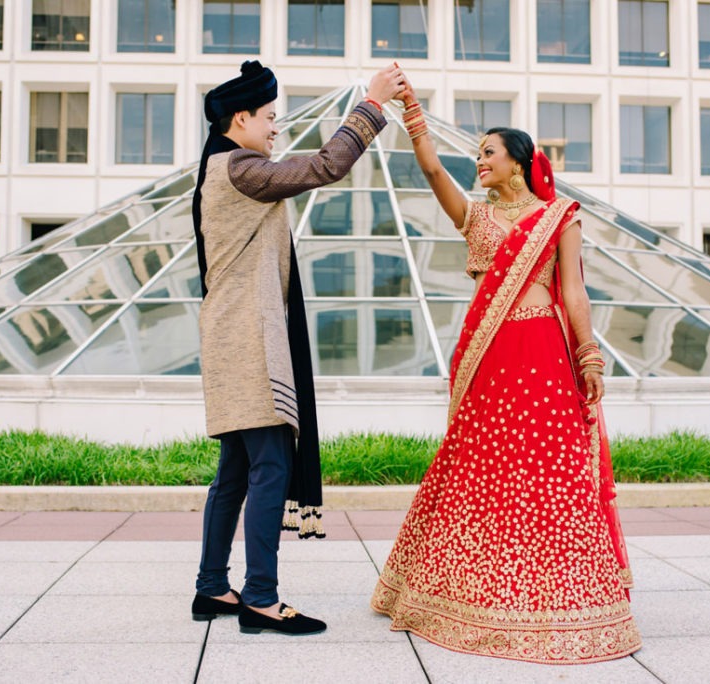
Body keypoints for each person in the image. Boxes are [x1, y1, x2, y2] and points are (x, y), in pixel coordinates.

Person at [370, 76, 642, 662]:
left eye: (488, 153)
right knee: (482, 465)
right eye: (477, 154)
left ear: (519, 162)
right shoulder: (477, 218)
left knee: (550, 468)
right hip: (491, 358)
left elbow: (574, 291)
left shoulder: (558, 216)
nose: (478, 162)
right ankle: (468, 590)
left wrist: (588, 354)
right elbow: (432, 172)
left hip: (544, 354)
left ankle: (558, 591)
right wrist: (413, 113)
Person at [191, 60, 406, 636]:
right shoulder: (240, 166)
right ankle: (260, 597)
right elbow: (326, 165)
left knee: (237, 468)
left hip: (230, 331)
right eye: (268, 118)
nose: (275, 129)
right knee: (269, 463)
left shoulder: (219, 165)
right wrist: (373, 103)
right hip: (248, 336)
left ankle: (212, 588)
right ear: (240, 118)